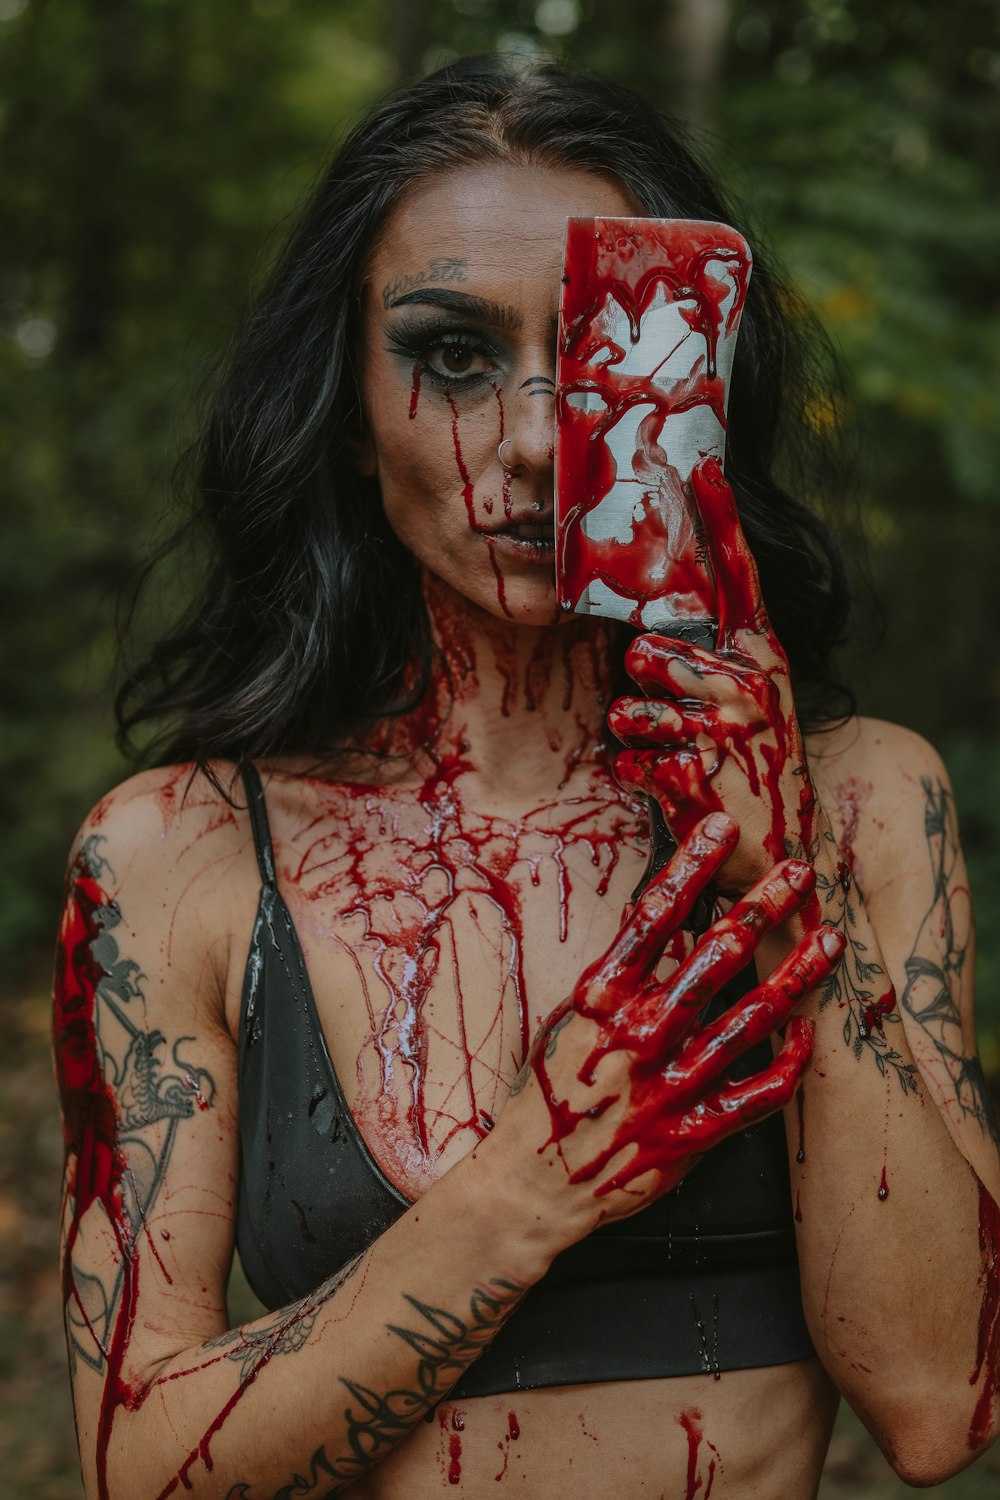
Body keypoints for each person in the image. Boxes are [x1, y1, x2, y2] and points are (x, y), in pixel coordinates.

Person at [54, 55, 1000, 1499]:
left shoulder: (868, 800)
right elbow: (138, 1464)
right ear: (345, 401)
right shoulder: (176, 856)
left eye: (608, 360)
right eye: (452, 354)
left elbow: (942, 1405)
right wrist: (529, 1181)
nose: (535, 442)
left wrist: (782, 881)